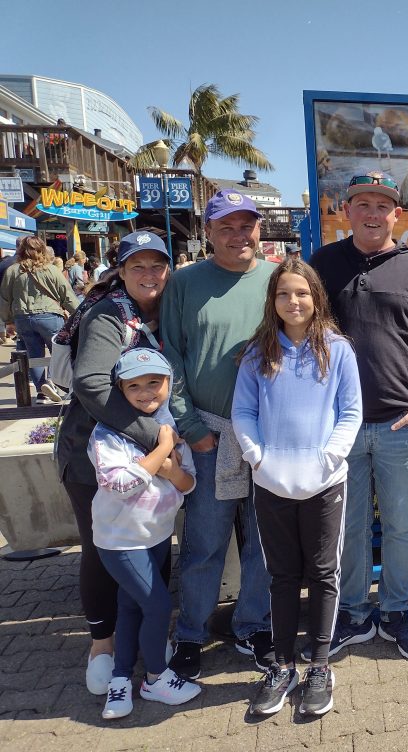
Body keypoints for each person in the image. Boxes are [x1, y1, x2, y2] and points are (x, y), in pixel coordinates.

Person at [310, 171, 408, 662]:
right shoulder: (323, 266)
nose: (372, 213)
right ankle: (353, 613)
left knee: (400, 526)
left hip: (403, 426)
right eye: (362, 203)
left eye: (383, 205)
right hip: (342, 427)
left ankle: (396, 611)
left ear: (398, 214)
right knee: (348, 528)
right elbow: (301, 336)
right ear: (346, 211)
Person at [232, 259, 362, 717]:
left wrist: (330, 458)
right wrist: (257, 457)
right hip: (271, 483)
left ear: (316, 296)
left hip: (325, 483)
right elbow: (243, 412)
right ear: (273, 300)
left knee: (325, 574)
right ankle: (283, 665)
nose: (294, 301)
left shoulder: (337, 349)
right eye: (284, 293)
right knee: (283, 577)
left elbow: (350, 412)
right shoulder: (257, 352)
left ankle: (320, 666)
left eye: (302, 293)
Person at [162, 189, 274, 679]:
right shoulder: (185, 284)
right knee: (204, 542)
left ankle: (254, 625)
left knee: (264, 542)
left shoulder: (278, 280)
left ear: (259, 229)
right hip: (209, 435)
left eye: (246, 225)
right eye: (226, 226)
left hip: (270, 438)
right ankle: (190, 633)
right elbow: (173, 359)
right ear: (208, 232)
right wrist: (190, 428)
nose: (238, 235)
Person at [55, 231, 171, 696]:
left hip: (144, 458)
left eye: (156, 266)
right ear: (120, 271)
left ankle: (144, 635)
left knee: (151, 540)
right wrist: (154, 440)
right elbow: (89, 382)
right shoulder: (111, 313)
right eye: (136, 266)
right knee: (103, 550)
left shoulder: (156, 313)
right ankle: (102, 645)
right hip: (93, 457)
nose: (148, 275)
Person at [90, 348, 201, 720]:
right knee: (156, 606)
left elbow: (187, 484)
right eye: (133, 385)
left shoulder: (171, 424)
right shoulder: (107, 433)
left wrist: (171, 470)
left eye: (154, 382)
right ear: (119, 390)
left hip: (155, 534)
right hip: (121, 540)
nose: (145, 392)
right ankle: (155, 676)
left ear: (169, 383)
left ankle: (121, 679)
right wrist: (165, 449)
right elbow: (120, 484)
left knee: (130, 607)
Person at [0, 234, 77, 403]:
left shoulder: (13, 271)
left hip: (23, 318)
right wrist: (80, 315)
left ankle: (42, 391)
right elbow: (67, 296)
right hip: (49, 316)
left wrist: (8, 321)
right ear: (42, 249)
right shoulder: (51, 269)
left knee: (34, 356)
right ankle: (61, 385)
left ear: (20, 250)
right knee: (61, 353)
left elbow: (5, 298)